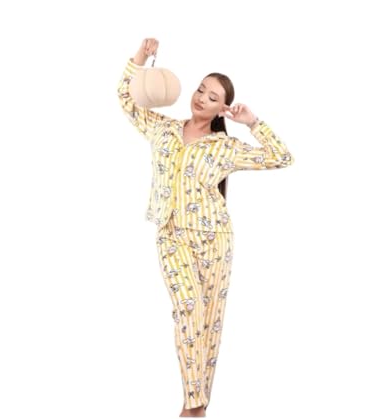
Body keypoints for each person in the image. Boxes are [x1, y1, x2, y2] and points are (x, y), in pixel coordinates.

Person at [117, 38, 294, 417]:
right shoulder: (163, 128)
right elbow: (126, 99)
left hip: (215, 238)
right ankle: (194, 404)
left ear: (221, 108)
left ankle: (195, 407)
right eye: (200, 89)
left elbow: (281, 157)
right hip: (171, 234)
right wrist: (140, 59)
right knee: (188, 309)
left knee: (209, 321)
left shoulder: (224, 146)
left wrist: (253, 123)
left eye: (212, 97)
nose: (201, 98)